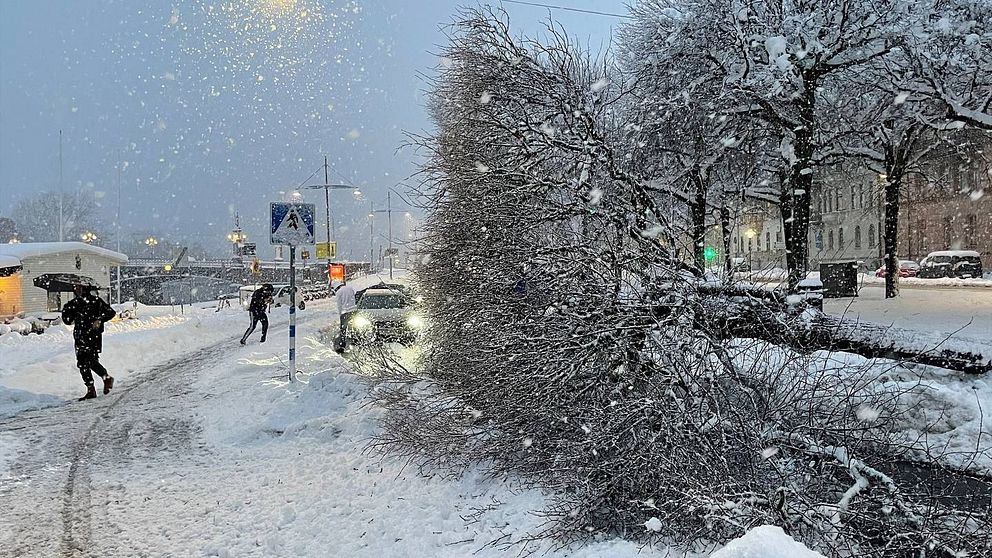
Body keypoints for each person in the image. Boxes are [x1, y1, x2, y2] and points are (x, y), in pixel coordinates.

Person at [61, 285, 117, 401]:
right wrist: (67, 311)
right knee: (82, 363)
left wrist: (99, 319)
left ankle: (106, 378)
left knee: (91, 360)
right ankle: (90, 388)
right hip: (80, 336)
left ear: (85, 288)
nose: (77, 290)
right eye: (75, 288)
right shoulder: (73, 303)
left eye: (80, 287)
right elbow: (67, 320)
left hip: (93, 336)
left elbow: (110, 312)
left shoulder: (95, 301)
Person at [334, 281, 357, 352]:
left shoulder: (339, 292)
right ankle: (355, 340)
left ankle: (342, 344)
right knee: (353, 326)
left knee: (343, 329)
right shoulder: (350, 288)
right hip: (353, 310)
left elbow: (339, 305)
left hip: (345, 312)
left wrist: (340, 313)